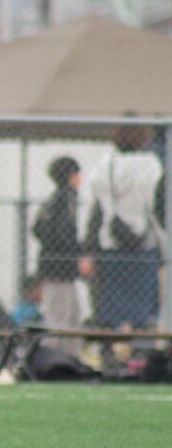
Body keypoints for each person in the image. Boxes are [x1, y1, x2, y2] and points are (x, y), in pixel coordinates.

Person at [80, 125, 163, 334]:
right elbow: (157, 204)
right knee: (142, 308)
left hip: (111, 242)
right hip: (143, 244)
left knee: (110, 305)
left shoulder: (105, 166)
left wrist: (88, 247)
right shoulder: (151, 165)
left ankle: (110, 347)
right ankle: (140, 347)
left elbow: (96, 209)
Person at [32, 156, 82, 354]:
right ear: (70, 175)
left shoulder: (53, 199)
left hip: (53, 265)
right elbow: (65, 233)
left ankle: (70, 358)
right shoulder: (66, 197)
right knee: (59, 317)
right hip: (61, 268)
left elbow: (37, 228)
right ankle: (50, 356)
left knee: (72, 316)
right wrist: (77, 255)